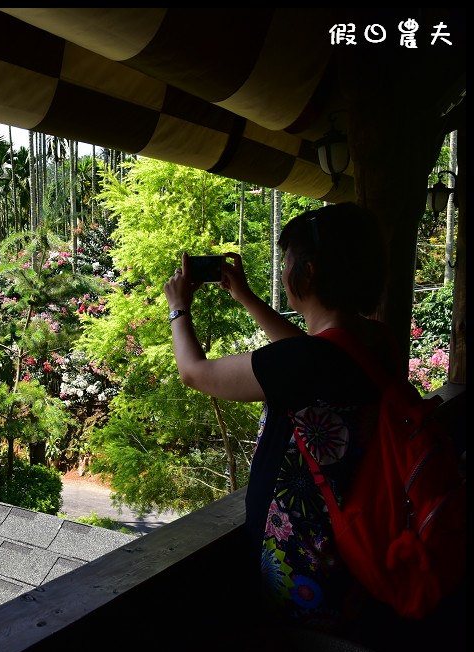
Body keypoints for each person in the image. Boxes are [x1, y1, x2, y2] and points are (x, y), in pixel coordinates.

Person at [163, 202, 391, 629]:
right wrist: (245, 296)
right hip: (357, 549)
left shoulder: (305, 362)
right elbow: (310, 352)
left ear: (309, 273)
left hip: (307, 568)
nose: (283, 272)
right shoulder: (372, 342)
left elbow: (194, 373)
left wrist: (179, 308)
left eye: (287, 263)